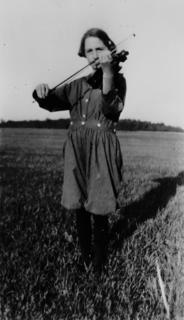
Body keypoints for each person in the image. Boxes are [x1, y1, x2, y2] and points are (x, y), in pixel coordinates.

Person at [33, 28, 127, 273]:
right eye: (89, 51)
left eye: (99, 48)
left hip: (101, 148)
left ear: (110, 49)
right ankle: (85, 256)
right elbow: (52, 102)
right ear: (83, 55)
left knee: (98, 204)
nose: (94, 54)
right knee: (79, 204)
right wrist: (41, 91)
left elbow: (111, 108)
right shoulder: (78, 85)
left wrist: (107, 72)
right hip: (76, 148)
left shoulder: (117, 80)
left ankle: (99, 262)